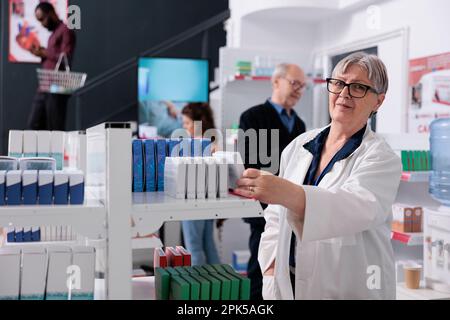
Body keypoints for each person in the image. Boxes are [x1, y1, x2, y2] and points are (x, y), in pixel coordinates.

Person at [235, 52, 402, 299]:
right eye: (338, 83)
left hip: (347, 287)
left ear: (378, 101)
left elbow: (354, 207)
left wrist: (285, 192)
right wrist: (270, 269)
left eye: (357, 87)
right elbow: (274, 218)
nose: (344, 93)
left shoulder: (381, 158)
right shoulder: (300, 145)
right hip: (288, 280)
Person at [238, 63, 307, 300]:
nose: (299, 90)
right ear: (276, 81)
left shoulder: (300, 125)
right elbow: (249, 163)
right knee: (261, 266)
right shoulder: (252, 117)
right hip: (263, 206)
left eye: (303, 86)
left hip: (292, 204)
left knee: (290, 267)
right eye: (294, 83)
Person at [180, 103, 221, 266]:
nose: (185, 127)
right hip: (208, 199)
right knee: (208, 244)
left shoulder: (196, 145)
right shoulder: (213, 142)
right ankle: (218, 288)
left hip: (192, 198)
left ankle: (197, 289)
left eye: (187, 123)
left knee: (193, 247)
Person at [27, 2, 76, 130]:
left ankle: (55, 151)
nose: (42, 24)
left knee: (55, 129)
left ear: (52, 13)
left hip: (57, 87)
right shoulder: (53, 34)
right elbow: (52, 57)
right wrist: (40, 53)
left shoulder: (66, 31)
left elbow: (65, 57)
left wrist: (44, 52)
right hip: (45, 86)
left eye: (42, 19)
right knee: (34, 126)